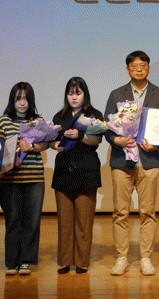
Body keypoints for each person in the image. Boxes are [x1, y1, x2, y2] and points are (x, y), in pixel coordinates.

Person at [104, 51, 159, 276]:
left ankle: (145, 258)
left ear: (148, 68)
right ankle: (121, 257)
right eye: (134, 66)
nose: (139, 69)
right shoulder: (116, 94)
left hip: (149, 160)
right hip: (122, 159)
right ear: (128, 70)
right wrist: (117, 140)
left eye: (143, 65)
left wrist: (157, 145)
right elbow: (107, 126)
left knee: (148, 212)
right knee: (120, 212)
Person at [50, 77, 104, 274]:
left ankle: (82, 261)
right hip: (63, 171)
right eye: (70, 93)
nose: (74, 97)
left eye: (78, 93)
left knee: (84, 220)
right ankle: (64, 261)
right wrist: (54, 145)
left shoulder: (94, 115)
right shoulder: (59, 116)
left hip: (86, 171)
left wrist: (80, 136)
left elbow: (96, 140)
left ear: (84, 94)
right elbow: (52, 140)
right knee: (64, 222)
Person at [0, 82, 47, 276]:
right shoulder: (3, 121)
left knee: (32, 222)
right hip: (10, 180)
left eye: (25, 98)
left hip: (34, 178)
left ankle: (26, 261)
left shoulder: (38, 120)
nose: (22, 103)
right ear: (13, 100)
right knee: (13, 220)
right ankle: (12, 262)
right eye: (18, 99)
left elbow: (46, 144)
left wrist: (31, 147)